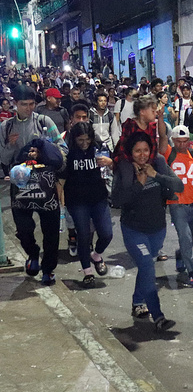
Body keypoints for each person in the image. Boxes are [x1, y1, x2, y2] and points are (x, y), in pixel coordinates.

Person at [113, 131, 184, 332]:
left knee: (146, 269)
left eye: (145, 150)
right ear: (130, 152)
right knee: (147, 268)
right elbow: (117, 200)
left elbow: (178, 185)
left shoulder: (159, 163)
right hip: (134, 229)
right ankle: (158, 316)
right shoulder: (125, 169)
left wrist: (155, 175)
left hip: (157, 229)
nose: (142, 155)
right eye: (137, 151)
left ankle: (137, 303)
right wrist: (139, 184)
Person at [61, 122, 114, 288]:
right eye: (80, 140)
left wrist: (110, 162)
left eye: (87, 139)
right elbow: (61, 178)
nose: (84, 143)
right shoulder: (68, 153)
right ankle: (87, 272)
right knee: (83, 235)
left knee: (106, 233)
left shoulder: (99, 148)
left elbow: (114, 166)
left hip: (98, 197)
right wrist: (61, 201)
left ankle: (96, 255)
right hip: (76, 201)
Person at [10, 138, 65, 284]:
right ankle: (33, 254)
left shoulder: (46, 124)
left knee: (51, 235)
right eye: (31, 150)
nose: (33, 153)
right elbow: (6, 157)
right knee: (23, 230)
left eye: (36, 151)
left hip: (47, 199)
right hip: (21, 199)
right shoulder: (9, 127)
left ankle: (48, 270)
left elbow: (62, 158)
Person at [163, 126, 193, 288]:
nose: (182, 144)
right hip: (176, 203)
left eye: (185, 141)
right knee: (186, 236)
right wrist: (160, 118)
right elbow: (161, 137)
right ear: (173, 141)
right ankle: (191, 273)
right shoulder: (168, 153)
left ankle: (181, 254)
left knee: (192, 237)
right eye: (178, 141)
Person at [1, 85, 60, 171]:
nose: (28, 108)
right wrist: (10, 146)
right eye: (24, 104)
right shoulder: (6, 126)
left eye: (31, 104)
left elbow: (63, 148)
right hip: (19, 179)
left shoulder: (44, 122)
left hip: (44, 178)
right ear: (15, 103)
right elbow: (4, 161)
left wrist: (42, 152)